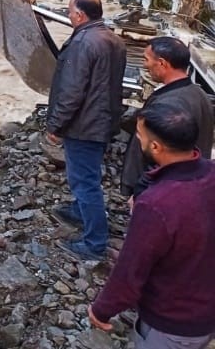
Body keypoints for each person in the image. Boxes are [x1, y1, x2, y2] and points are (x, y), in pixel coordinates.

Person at [87, 99, 215, 348]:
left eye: (139, 135)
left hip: (172, 323)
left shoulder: (156, 204)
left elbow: (131, 270)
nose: (138, 140)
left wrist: (101, 310)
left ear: (155, 146)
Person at [47, 0, 127, 260]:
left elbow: (72, 91)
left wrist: (56, 126)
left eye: (70, 11)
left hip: (85, 125)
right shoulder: (113, 39)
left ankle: (94, 244)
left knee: (85, 182)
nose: (68, 15)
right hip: (103, 121)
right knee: (87, 175)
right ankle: (80, 212)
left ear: (80, 15)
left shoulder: (82, 42)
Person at [121, 37, 214, 200]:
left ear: (162, 63)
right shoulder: (198, 94)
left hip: (160, 190)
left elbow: (165, 154)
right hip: (184, 185)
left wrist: (142, 189)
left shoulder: (172, 104)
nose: (145, 65)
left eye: (147, 59)